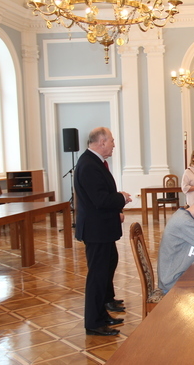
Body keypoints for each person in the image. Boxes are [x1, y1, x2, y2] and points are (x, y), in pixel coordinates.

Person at [74, 127, 132, 336]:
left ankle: (101, 315)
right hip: (96, 230)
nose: (114, 145)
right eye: (112, 141)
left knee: (103, 273)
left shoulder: (94, 162)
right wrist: (121, 198)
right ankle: (94, 323)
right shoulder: (89, 165)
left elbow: (99, 196)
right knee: (97, 277)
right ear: (101, 142)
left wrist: (117, 200)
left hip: (102, 228)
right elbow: (99, 199)